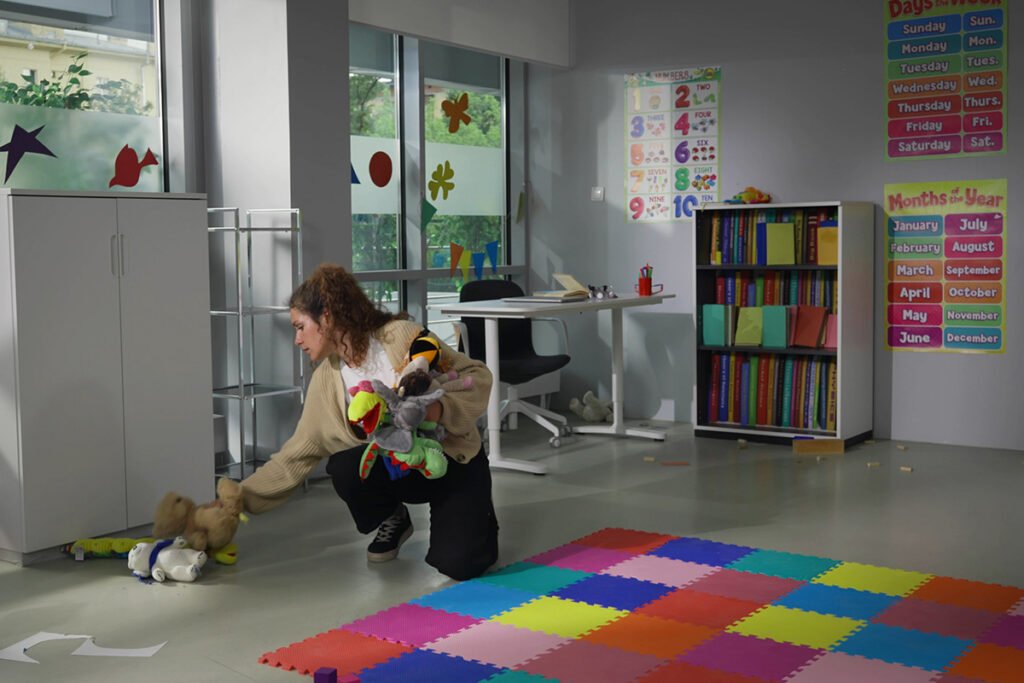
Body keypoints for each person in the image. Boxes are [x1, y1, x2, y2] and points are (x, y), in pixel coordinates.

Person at [239, 264, 497, 580]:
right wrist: (235, 500)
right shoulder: (326, 380)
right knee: (345, 466)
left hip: (452, 461)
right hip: (401, 466)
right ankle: (394, 517)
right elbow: (297, 454)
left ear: (327, 318)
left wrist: (438, 410)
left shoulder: (399, 336)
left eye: (299, 327)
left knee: (460, 564)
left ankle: (479, 515)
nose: (297, 340)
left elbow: (478, 376)